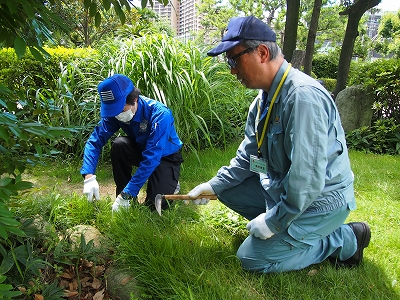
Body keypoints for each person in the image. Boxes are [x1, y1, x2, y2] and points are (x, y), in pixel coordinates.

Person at [188, 16, 371, 273]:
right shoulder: (262, 101)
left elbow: (307, 178)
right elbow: (248, 157)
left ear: (262, 52)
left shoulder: (302, 98)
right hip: (284, 187)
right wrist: (212, 186)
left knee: (251, 259)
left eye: (234, 59)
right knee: (226, 189)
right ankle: (288, 232)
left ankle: (346, 238)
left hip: (319, 200)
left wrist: (274, 222)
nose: (232, 70)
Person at [81, 74, 183, 212]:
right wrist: (88, 176)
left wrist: (129, 192)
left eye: (120, 110)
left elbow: (153, 156)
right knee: (119, 145)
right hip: (141, 149)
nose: (117, 115)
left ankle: (170, 182)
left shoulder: (160, 114)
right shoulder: (115, 113)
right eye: (112, 111)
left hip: (165, 156)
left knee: (156, 206)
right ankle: (124, 198)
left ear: (134, 99)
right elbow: (94, 141)